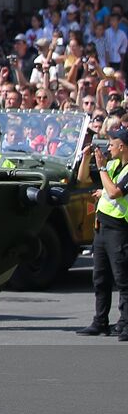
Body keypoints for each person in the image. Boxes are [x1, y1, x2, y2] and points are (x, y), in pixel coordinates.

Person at [78, 125, 128, 339]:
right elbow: (82, 180)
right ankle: (100, 321)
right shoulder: (114, 164)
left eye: (112, 144)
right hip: (102, 228)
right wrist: (86, 159)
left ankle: (125, 324)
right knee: (100, 278)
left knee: (123, 279)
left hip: (119, 230)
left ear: (123, 146)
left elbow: (115, 192)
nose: (109, 147)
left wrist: (102, 169)